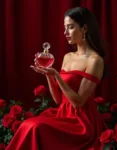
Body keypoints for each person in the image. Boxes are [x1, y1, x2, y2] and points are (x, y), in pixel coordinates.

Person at [6, 7, 107, 150]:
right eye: (65, 28)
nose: (65, 33)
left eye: (70, 27)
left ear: (84, 28)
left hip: (82, 121)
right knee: (27, 124)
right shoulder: (68, 57)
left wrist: (57, 76)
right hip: (63, 114)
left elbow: (78, 102)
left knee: (36, 127)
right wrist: (49, 75)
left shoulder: (95, 60)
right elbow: (59, 100)